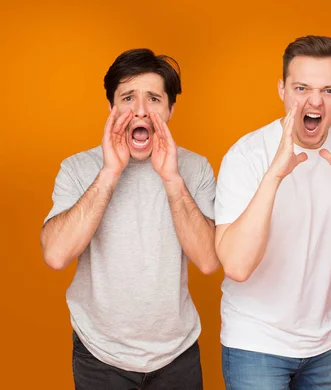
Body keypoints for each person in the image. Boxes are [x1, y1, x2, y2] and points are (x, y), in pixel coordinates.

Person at [214, 35, 331, 389]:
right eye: (302, 88)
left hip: (326, 345)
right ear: (282, 90)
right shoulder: (247, 155)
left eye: (329, 90)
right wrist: (275, 175)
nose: (314, 101)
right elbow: (236, 266)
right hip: (255, 343)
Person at [40, 48, 218, 389]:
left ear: (169, 109)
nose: (140, 110)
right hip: (100, 356)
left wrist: (171, 179)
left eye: (153, 98)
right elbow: (56, 255)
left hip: (176, 356)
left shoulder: (195, 169)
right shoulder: (78, 168)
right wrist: (110, 172)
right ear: (111, 109)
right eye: (127, 98)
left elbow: (209, 260)